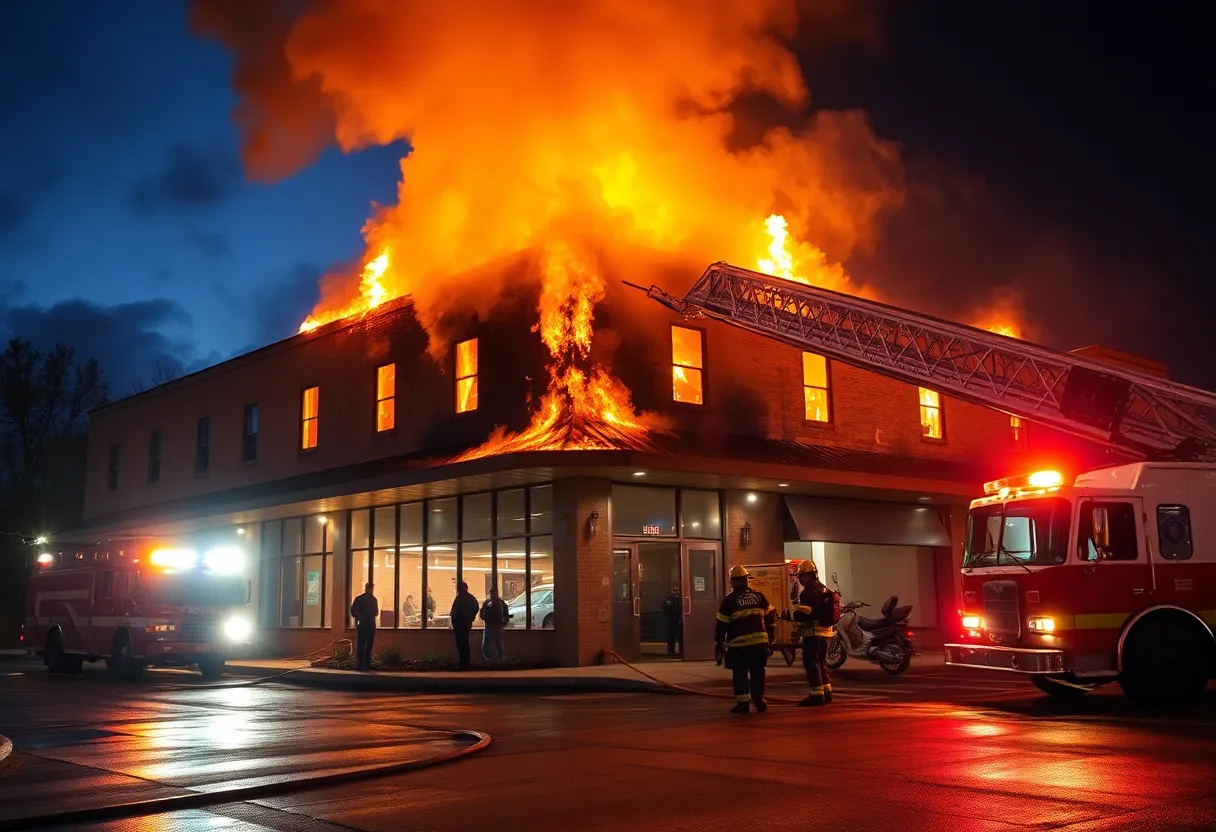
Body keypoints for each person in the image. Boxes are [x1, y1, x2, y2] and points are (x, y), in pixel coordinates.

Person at [714, 564, 776, 714]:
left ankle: (743, 703)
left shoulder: (729, 601)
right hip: (760, 644)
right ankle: (759, 700)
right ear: (747, 580)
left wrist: (719, 643)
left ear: (732, 581)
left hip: (739, 645)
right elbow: (770, 617)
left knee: (740, 672)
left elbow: (722, 624)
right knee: (758, 671)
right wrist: (770, 637)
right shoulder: (759, 596)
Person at [792, 560, 838, 706]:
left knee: (811, 664)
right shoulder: (823, 589)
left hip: (813, 634)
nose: (799, 579)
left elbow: (805, 614)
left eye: (800, 576)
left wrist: (789, 615)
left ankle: (817, 696)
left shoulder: (808, 592)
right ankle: (827, 693)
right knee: (820, 663)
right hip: (825, 634)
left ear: (806, 575)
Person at [449, 581, 480, 670]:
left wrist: (470, 617)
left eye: (458, 588)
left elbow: (475, 609)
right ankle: (464, 663)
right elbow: (454, 610)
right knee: (462, 644)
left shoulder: (465, 598)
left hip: (462, 625)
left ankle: (464, 664)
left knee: (462, 644)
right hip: (461, 625)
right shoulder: (466, 598)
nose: (457, 590)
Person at [349, 582, 379, 672]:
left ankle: (359, 665)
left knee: (360, 644)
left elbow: (353, 611)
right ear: (371, 589)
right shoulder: (373, 599)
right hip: (370, 624)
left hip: (361, 624)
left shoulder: (359, 599)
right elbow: (376, 613)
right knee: (368, 645)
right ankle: (367, 665)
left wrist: (358, 616)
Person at [479, 587, 511, 666]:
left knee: (489, 646)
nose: (492, 594)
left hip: (491, 627)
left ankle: (491, 661)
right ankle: (500, 661)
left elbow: (482, 614)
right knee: (498, 646)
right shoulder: (500, 603)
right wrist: (502, 624)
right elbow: (506, 616)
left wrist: (486, 619)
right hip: (495, 627)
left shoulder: (489, 603)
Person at [661, 583, 682, 655]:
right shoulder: (667, 598)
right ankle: (671, 651)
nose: (675, 592)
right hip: (671, 619)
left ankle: (681, 651)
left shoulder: (680, 597)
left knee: (680, 636)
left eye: (677, 590)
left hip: (679, 618)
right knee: (671, 636)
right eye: (674, 590)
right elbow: (664, 607)